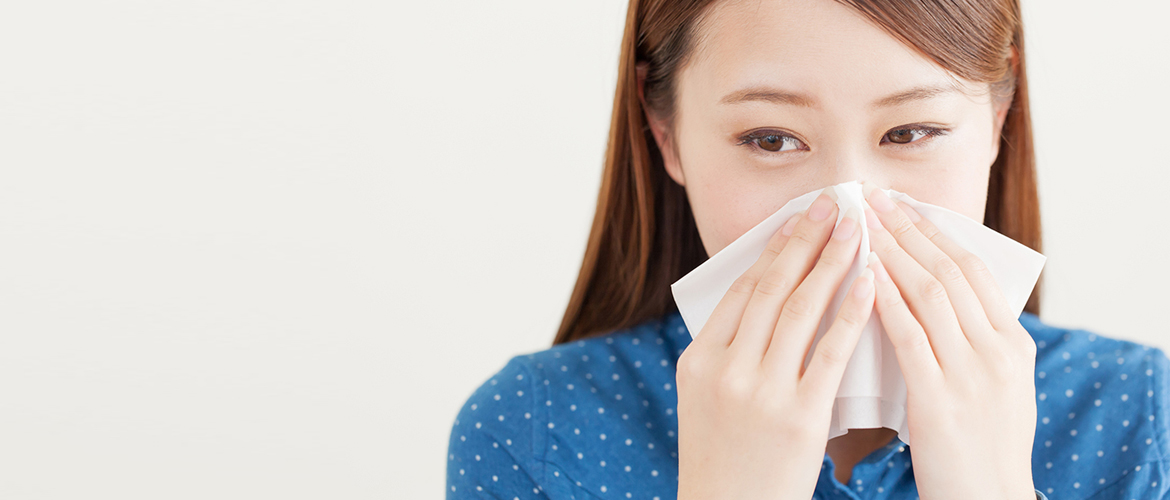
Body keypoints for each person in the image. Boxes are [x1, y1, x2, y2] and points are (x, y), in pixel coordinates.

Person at [446, 0, 1170, 498]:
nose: (847, 209)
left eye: (910, 132)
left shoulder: (1141, 418)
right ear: (666, 134)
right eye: (771, 140)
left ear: (995, 118)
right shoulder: (539, 430)